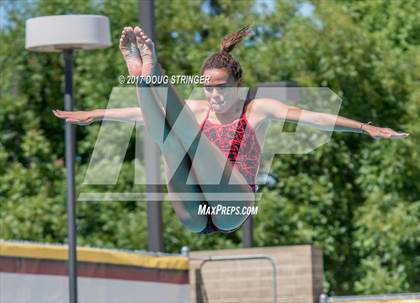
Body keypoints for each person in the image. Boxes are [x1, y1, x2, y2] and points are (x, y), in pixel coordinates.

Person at [53, 25, 408, 234]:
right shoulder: (198, 108)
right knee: (168, 144)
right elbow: (138, 117)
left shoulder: (259, 109)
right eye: (207, 87)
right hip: (195, 215)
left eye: (221, 87)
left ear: (237, 82)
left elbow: (315, 117)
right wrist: (97, 113)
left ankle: (154, 71)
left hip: (234, 205)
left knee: (187, 134)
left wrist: (365, 128)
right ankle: (141, 79)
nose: (213, 94)